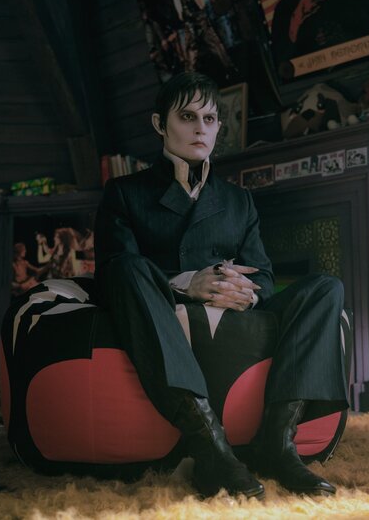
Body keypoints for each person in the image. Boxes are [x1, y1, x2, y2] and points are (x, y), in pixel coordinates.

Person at [95, 71, 348, 499]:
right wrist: (187, 284)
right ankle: (210, 445)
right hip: (163, 312)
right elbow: (111, 277)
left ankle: (278, 443)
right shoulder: (124, 192)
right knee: (126, 268)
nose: (200, 129)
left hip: (236, 313)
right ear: (160, 124)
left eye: (210, 119)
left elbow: (263, 276)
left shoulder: (238, 200)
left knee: (326, 288)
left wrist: (242, 290)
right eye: (187, 117)